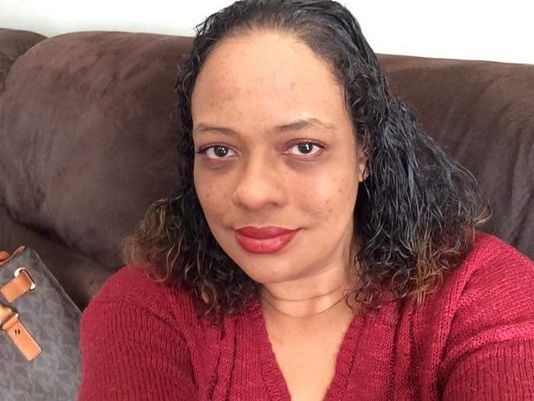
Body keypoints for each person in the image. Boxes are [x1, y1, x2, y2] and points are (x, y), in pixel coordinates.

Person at [76, 1, 534, 400]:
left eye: (304, 146)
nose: (253, 192)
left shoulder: (482, 295)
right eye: (219, 150)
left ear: (364, 151)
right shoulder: (145, 307)